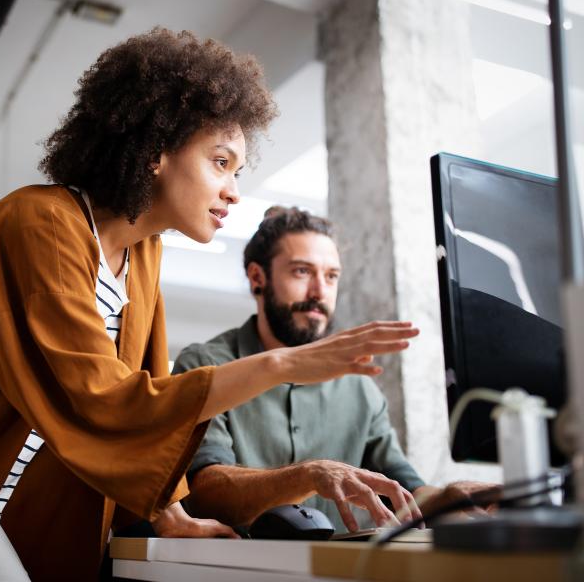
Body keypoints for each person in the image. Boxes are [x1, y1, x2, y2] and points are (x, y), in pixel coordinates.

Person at [0, 29, 419, 581]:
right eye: (220, 161)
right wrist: (281, 366)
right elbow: (101, 399)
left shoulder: (141, 254)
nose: (232, 189)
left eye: (238, 170)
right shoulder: (39, 224)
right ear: (157, 148)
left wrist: (174, 519)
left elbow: (144, 393)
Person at [176, 207, 489, 534]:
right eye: (301, 272)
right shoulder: (205, 365)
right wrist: (308, 475)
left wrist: (451, 497)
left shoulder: (359, 385)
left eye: (331, 276)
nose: (319, 292)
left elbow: (404, 490)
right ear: (258, 278)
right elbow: (205, 493)